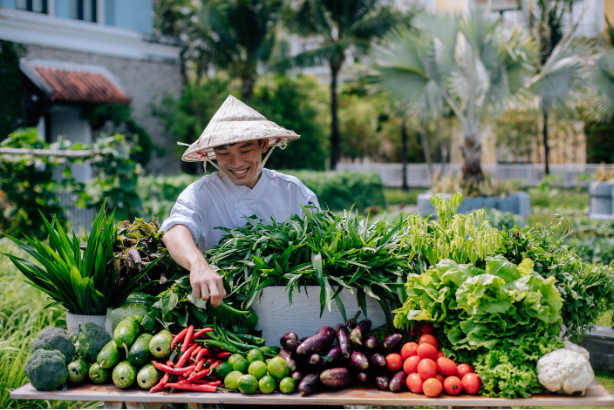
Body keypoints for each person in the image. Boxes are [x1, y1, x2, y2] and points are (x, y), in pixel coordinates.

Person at [161, 95, 319, 308]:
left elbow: (319, 243)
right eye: (224, 152)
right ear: (213, 153)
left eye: (245, 150)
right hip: (222, 306)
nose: (236, 163)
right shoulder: (202, 193)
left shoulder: (293, 191)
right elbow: (174, 230)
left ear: (263, 144)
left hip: (287, 304)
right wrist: (199, 265)